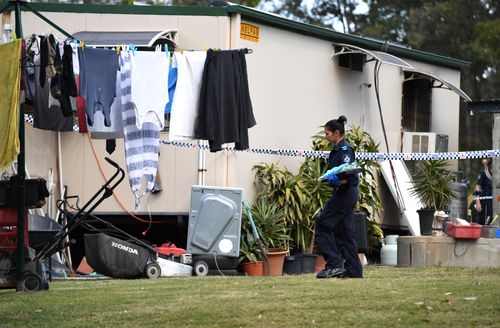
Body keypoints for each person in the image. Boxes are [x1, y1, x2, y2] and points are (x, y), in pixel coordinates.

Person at [315, 115, 363, 279]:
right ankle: (354, 272)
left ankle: (334, 264)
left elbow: (350, 176)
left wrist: (335, 180)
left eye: (327, 133)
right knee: (345, 234)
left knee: (322, 225)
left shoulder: (345, 150)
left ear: (336, 133)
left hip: (345, 195)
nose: (325, 136)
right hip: (344, 194)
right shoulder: (336, 150)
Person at [474, 158, 492, 225]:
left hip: (494, 202)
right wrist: (477, 201)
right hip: (484, 201)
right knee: (483, 222)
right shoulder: (483, 173)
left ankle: (497, 234)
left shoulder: (496, 174)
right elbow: (477, 187)